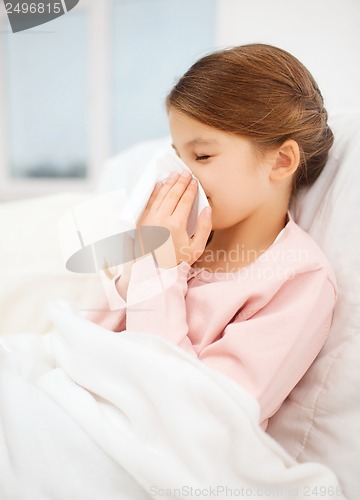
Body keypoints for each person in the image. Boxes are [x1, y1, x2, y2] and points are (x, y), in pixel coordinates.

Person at [86, 44, 337, 431]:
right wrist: (143, 259)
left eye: (202, 157)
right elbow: (87, 340)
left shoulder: (298, 279)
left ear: (282, 160)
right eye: (176, 156)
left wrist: (161, 272)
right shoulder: (179, 237)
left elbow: (197, 417)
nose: (181, 176)